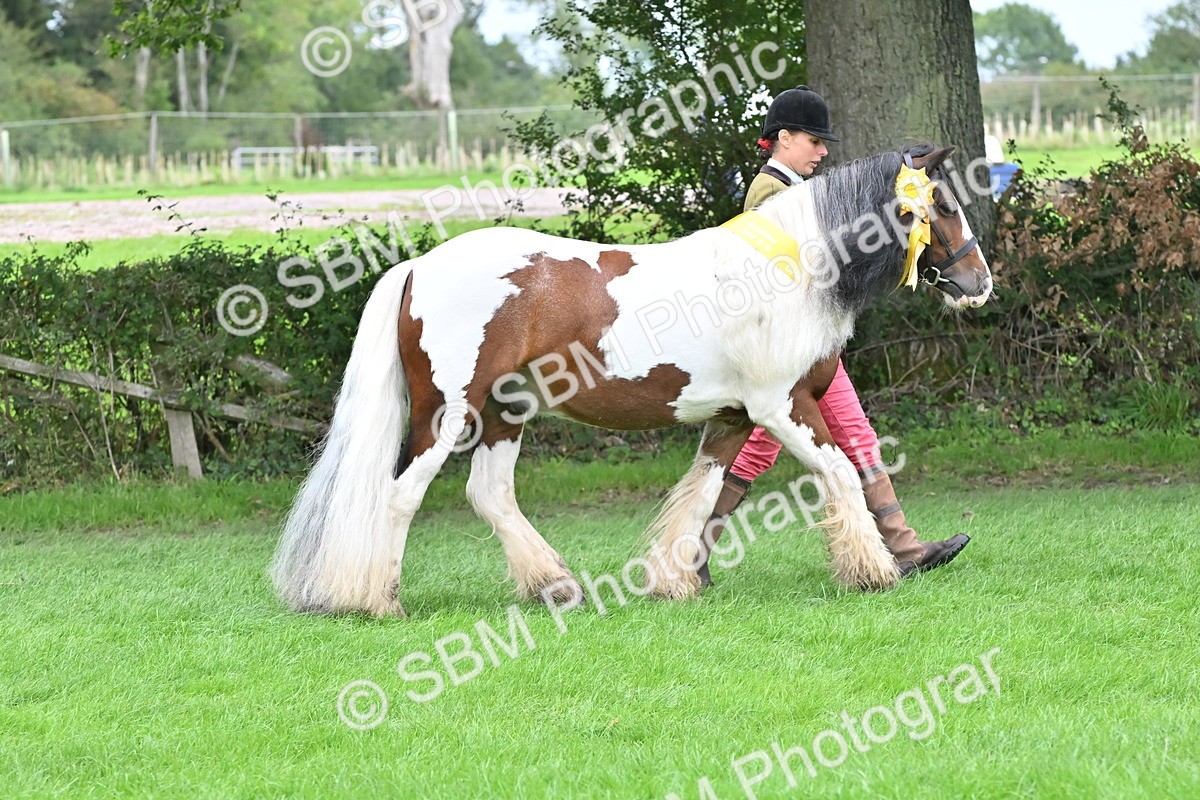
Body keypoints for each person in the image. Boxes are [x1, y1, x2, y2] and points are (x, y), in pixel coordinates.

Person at [697, 85, 970, 587]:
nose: (823, 152)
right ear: (783, 138)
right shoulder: (770, 194)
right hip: (787, 354)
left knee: (855, 435)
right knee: (761, 448)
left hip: (809, 350)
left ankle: (903, 545)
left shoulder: (790, 188)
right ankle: (694, 549)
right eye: (814, 141)